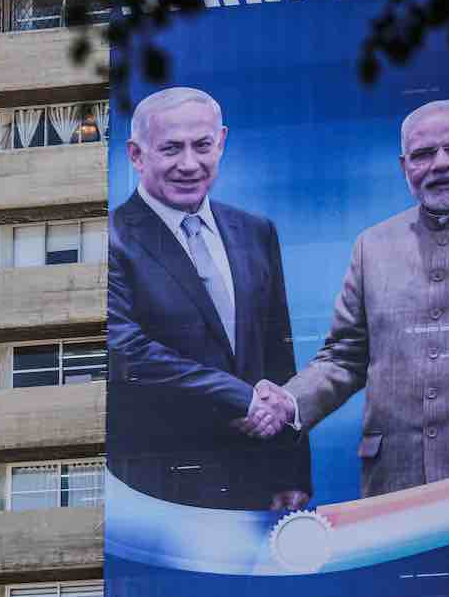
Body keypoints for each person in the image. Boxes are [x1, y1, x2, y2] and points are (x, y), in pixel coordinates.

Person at [243, 99, 449, 498]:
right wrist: (288, 401)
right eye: (423, 154)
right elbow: (343, 356)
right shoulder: (372, 245)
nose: (441, 164)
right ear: (404, 166)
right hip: (395, 483)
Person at [108, 87, 311, 511]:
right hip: (159, 489)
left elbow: (278, 353)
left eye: (202, 146)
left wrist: (292, 470)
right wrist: (243, 399)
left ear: (221, 142)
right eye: (170, 149)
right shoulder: (110, 239)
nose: (189, 164)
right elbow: (127, 352)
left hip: (255, 479)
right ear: (136, 154)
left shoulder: (255, 231)